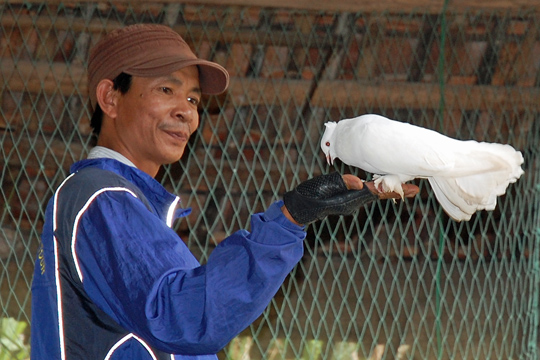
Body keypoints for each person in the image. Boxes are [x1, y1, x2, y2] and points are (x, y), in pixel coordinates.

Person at [30, 24, 418, 360]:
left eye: (194, 99)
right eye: (168, 89)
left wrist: (291, 220)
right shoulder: (100, 197)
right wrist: (286, 221)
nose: (187, 111)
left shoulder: (118, 201)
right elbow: (185, 316)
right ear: (110, 97)